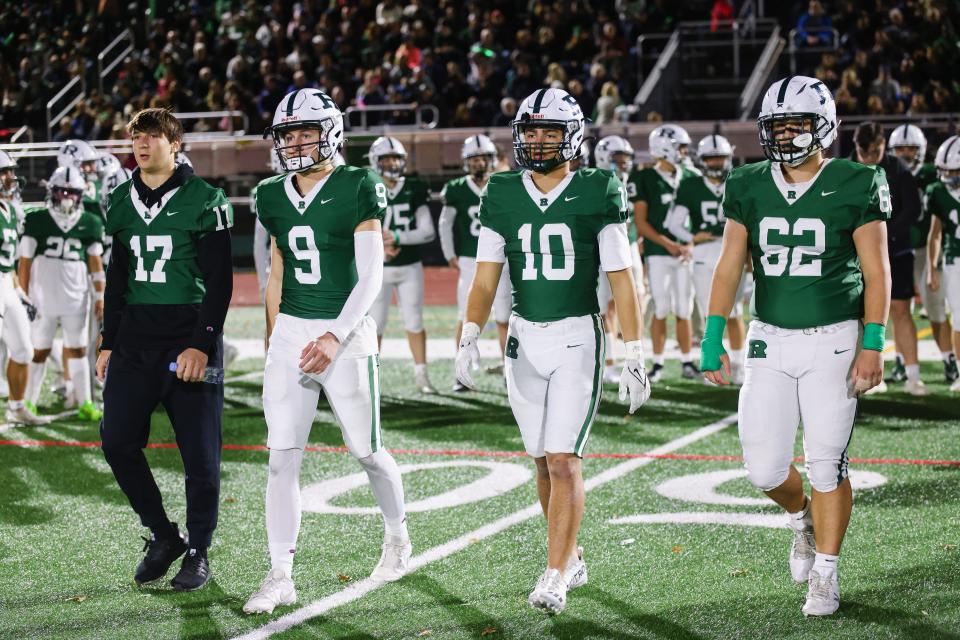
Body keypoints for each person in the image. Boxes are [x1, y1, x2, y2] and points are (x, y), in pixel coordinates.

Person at [456, 87, 651, 616]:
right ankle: (572, 555)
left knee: (564, 460)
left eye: (550, 131)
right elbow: (484, 278)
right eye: (531, 131)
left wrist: (633, 349)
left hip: (576, 338)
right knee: (542, 461)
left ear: (573, 136)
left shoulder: (598, 188)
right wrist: (470, 333)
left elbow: (623, 278)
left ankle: (555, 572)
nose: (539, 141)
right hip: (524, 339)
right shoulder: (500, 190)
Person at [702, 76, 891, 617]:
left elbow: (877, 272)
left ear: (824, 126)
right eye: (778, 126)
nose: (786, 136)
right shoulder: (748, 183)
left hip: (835, 337)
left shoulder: (857, 180)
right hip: (769, 336)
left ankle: (826, 574)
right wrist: (714, 336)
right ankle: (801, 517)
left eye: (797, 124)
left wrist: (873, 342)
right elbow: (730, 266)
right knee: (763, 469)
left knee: (827, 460)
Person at [243, 90, 409, 615]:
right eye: (287, 134)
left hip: (347, 331)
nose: (295, 143)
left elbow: (372, 274)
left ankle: (398, 537)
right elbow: (277, 270)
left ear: (331, 130)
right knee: (281, 457)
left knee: (367, 451)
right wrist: (275, 336)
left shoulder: (359, 183)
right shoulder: (271, 193)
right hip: (294, 330)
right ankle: (280, 574)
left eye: (305, 131)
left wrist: (335, 335)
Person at [96, 107, 234, 591]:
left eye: (153, 135)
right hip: (135, 336)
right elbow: (117, 279)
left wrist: (202, 343)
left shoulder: (205, 198)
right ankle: (161, 534)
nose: (142, 142)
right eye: (136, 134)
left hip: (186, 333)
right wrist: (107, 341)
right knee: (115, 441)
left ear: (175, 145)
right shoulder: (117, 200)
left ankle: (198, 549)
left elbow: (219, 281)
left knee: (200, 455)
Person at [20, 167, 105, 420]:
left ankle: (85, 402)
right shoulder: (36, 218)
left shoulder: (91, 221)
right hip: (42, 299)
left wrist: (100, 297)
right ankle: (29, 401)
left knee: (78, 349)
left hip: (76, 299)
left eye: (72, 192)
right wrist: (24, 296)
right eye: (62, 191)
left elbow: (96, 264)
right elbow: (24, 263)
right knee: (39, 351)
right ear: (52, 193)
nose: (67, 197)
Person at [851, 122, 927, 395]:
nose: (870, 156)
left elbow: (913, 210)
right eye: (865, 150)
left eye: (876, 150)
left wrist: (882, 237)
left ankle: (913, 376)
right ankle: (866, 374)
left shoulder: (898, 169)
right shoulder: (844, 170)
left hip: (895, 251)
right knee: (858, 314)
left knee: (900, 311)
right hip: (855, 255)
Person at [665, 134, 747, 384]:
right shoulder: (691, 185)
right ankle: (713, 362)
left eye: (719, 158)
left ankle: (739, 363)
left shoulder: (739, 182)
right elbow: (672, 223)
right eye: (710, 159)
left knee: (734, 311)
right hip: (703, 252)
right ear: (701, 161)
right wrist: (693, 237)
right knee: (710, 311)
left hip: (733, 250)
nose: (715, 163)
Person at [439, 135, 511, 391]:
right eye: (475, 159)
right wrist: (449, 253)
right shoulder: (457, 188)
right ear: (466, 162)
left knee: (505, 317)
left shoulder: (505, 184)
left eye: (483, 158)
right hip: (471, 258)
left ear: (492, 160)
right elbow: (445, 223)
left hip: (502, 259)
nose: (479, 163)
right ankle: (462, 372)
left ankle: (508, 370)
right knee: (465, 316)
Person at [368, 136, 438, 394]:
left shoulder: (414, 187)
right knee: (375, 325)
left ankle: (421, 374)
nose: (392, 163)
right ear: (376, 161)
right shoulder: (367, 186)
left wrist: (398, 238)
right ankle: (371, 377)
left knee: (414, 321)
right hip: (378, 268)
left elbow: (428, 231)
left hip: (410, 266)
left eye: (396, 158)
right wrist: (380, 246)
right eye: (386, 159)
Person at [630, 124, 699, 381]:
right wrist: (669, 244)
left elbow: (699, 217)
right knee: (661, 307)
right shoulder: (644, 177)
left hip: (685, 253)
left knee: (684, 307)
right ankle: (657, 363)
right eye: (680, 147)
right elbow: (641, 222)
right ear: (665, 148)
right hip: (659, 252)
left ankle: (686, 361)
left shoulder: (691, 176)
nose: (684, 152)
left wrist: (690, 244)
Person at [888, 124, 957, 382]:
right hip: (901, 250)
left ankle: (950, 360)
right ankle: (901, 361)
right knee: (899, 309)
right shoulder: (888, 171)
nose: (905, 153)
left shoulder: (933, 175)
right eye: (900, 148)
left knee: (936, 309)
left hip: (928, 252)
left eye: (911, 148)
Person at [0, 152, 50, 425]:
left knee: (23, 350)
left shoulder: (8, 210)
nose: (10, 177)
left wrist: (19, 291)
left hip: (7, 282)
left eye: (10, 171)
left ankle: (16, 407)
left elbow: (11, 260)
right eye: (3, 172)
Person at [594, 135, 646, 384]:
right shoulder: (593, 183)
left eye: (626, 160)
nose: (624, 164)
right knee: (602, 308)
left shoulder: (630, 183)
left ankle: (633, 356)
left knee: (635, 297)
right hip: (601, 251)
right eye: (618, 159)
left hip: (628, 245)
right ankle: (608, 362)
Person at [925, 135, 960, 393]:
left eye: (954, 172)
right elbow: (935, 233)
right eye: (945, 171)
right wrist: (932, 267)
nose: (948, 176)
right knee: (959, 319)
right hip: (954, 259)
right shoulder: (937, 191)